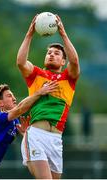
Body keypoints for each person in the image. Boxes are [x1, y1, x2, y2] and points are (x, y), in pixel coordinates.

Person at [17, 14, 80, 179]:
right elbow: (21, 62)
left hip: (56, 140)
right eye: (49, 52)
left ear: (62, 62)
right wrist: (29, 34)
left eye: (57, 54)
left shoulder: (68, 78)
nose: (51, 55)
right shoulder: (37, 75)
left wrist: (63, 34)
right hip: (36, 136)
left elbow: (75, 62)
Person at [0, 82, 58, 179]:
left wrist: (24, 133)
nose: (14, 98)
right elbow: (21, 108)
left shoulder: (13, 120)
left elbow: (24, 133)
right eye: (9, 96)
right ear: (0, 103)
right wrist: (39, 92)